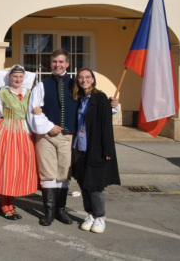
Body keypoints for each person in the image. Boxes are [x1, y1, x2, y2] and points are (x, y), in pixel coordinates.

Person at [0, 65, 38, 220]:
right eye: (15, 77)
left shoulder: (29, 94)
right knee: (5, 170)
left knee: (16, 172)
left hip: (23, 134)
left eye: (20, 77)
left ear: (24, 78)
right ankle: (5, 206)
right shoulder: (1, 94)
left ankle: (10, 204)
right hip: (5, 133)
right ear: (10, 77)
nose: (18, 79)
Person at [27, 49, 76, 226]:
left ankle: (60, 210)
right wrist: (49, 127)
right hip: (45, 136)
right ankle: (48, 211)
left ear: (67, 64)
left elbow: (89, 106)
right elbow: (33, 110)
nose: (58, 65)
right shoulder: (42, 85)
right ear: (51, 63)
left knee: (63, 173)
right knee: (48, 173)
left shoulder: (76, 84)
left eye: (61, 62)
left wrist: (112, 106)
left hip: (67, 136)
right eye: (55, 61)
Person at [71, 68, 121, 234]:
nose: (84, 80)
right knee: (83, 183)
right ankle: (90, 214)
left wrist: (107, 149)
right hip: (79, 146)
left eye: (87, 77)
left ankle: (100, 216)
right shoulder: (79, 97)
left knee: (95, 185)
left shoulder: (99, 97)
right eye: (81, 77)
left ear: (93, 79)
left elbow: (106, 124)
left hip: (94, 147)